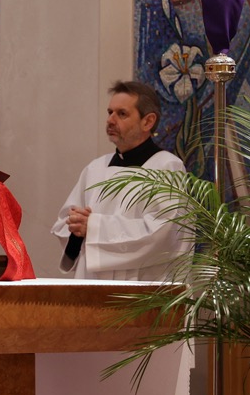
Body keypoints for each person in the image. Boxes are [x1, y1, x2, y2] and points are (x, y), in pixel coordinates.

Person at [52, 80, 187, 280]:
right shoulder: (95, 168)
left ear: (148, 122)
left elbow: (164, 233)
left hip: (141, 287)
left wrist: (94, 227)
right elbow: (66, 223)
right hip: (91, 285)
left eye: (122, 114)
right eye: (110, 112)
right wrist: (76, 226)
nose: (110, 120)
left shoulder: (167, 167)